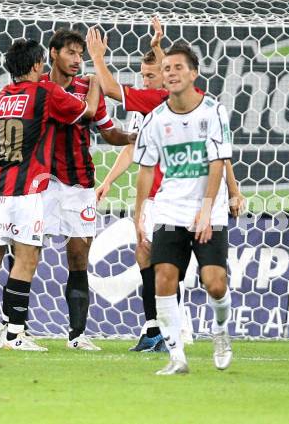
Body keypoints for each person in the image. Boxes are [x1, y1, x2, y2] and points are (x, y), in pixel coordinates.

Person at [87, 23, 243, 352]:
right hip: (163, 199)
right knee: (153, 263)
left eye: (149, 74)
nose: (145, 81)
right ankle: (159, 330)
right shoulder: (157, 110)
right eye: (145, 75)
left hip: (188, 200)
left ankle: (175, 328)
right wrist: (109, 181)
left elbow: (219, 156)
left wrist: (98, 59)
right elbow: (132, 149)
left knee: (198, 277)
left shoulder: (172, 103)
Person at [0, 38, 100, 351]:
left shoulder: (0, 97)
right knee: (26, 259)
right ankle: (14, 334)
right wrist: (96, 82)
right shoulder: (46, 92)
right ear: (39, 64)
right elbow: (88, 110)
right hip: (27, 188)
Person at [134, 42, 233, 375]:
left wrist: (207, 209)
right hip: (170, 209)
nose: (171, 73)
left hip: (210, 209)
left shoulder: (213, 111)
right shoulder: (155, 120)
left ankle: (220, 331)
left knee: (215, 283)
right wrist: (138, 216)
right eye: (167, 69)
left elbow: (219, 161)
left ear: (194, 73)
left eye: (178, 67)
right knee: (164, 277)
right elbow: (146, 169)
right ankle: (177, 357)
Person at [40, 29, 135, 351]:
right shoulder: (38, 86)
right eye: (71, 53)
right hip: (41, 182)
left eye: (81, 54)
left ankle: (77, 335)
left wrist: (136, 137)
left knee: (79, 256)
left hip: (80, 182)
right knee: (25, 251)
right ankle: (15, 329)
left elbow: (109, 133)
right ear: (53, 53)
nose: (77, 60)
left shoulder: (87, 86)